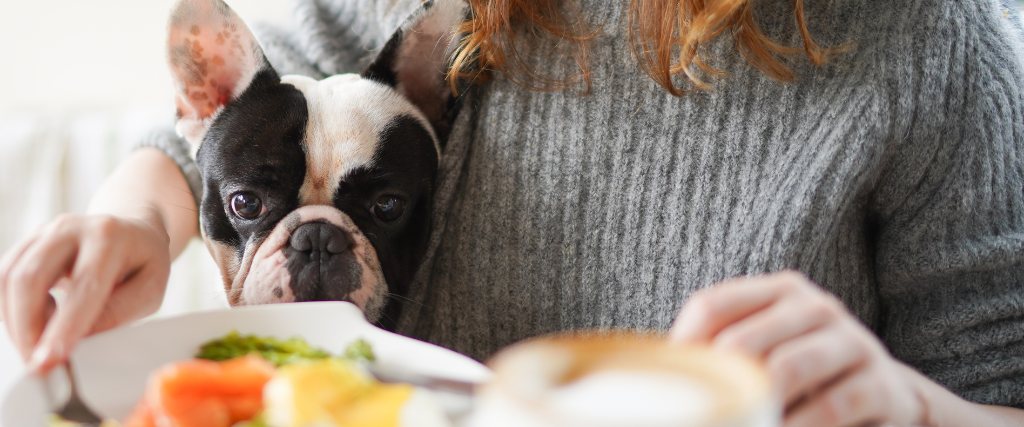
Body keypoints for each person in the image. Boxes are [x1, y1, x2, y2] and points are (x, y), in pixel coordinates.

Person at [2, 0, 1023, 425]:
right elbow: (238, 113)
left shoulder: (929, 48)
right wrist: (136, 216)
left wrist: (914, 406)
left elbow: (996, 387)